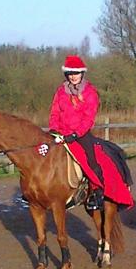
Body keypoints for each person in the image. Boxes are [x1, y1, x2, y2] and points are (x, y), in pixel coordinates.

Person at [48, 55, 106, 210]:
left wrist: (75, 134)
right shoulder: (61, 91)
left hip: (80, 134)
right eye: (71, 73)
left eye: (77, 73)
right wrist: (53, 129)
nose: (73, 76)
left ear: (82, 74)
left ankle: (97, 192)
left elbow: (89, 118)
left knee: (91, 158)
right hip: (60, 132)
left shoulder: (90, 93)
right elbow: (54, 112)